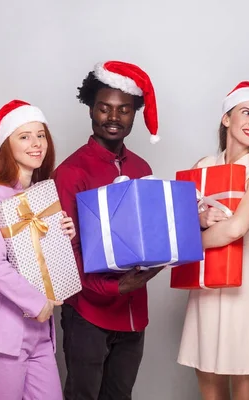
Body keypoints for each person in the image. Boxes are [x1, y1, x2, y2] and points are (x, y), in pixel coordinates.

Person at [53, 60, 163, 400]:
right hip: (88, 312)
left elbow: (148, 236)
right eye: (104, 108)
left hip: (133, 315)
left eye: (124, 110)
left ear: (135, 114)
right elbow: (64, 256)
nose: (113, 118)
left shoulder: (143, 168)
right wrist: (113, 288)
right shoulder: (70, 172)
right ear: (91, 109)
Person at [177, 81, 249, 400]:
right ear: (226, 118)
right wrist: (196, 219)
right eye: (246, 112)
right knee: (209, 387)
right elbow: (180, 224)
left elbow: (236, 229)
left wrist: (189, 245)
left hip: (243, 288)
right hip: (205, 285)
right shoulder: (201, 168)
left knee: (245, 389)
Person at [0, 100, 75, 399]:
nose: (36, 143)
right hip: (3, 330)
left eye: (40, 135)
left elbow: (37, 259)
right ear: (6, 146)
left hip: (39, 333)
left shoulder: (39, 195)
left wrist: (64, 235)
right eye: (24, 136)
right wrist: (38, 304)